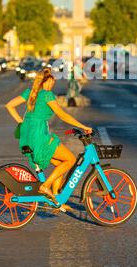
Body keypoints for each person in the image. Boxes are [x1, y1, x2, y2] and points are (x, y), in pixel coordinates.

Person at [5, 67, 92, 210]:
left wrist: (21, 122)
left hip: (27, 136)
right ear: (47, 81)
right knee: (70, 159)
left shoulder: (30, 93)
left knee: (60, 165)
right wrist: (83, 126)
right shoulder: (47, 95)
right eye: (52, 81)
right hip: (39, 136)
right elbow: (62, 115)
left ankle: (57, 200)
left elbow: (9, 106)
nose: (54, 84)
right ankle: (45, 187)